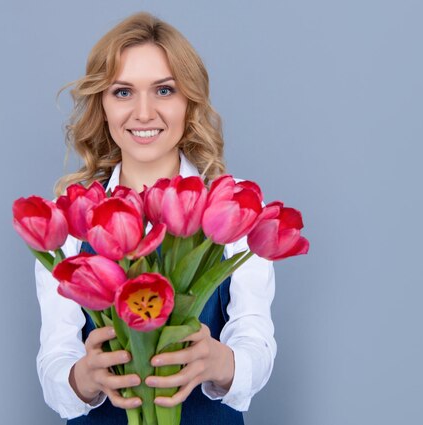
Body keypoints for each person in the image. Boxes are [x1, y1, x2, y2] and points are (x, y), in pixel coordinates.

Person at [35, 11, 276, 424]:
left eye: (164, 90)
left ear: (189, 100)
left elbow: (256, 337)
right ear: (103, 104)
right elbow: (55, 358)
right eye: (123, 92)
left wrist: (220, 362)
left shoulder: (230, 205)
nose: (143, 113)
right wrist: (82, 376)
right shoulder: (71, 218)